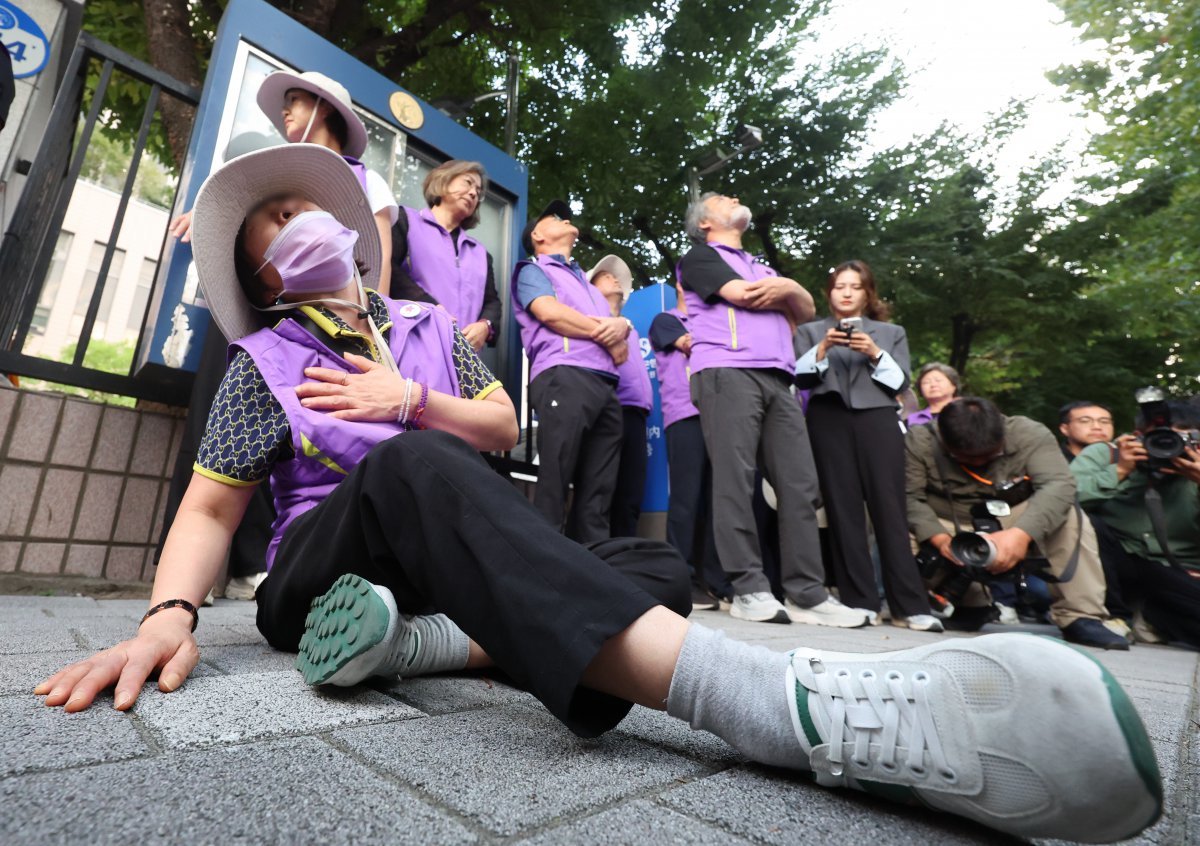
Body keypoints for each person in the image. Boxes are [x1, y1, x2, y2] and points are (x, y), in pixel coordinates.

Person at [31, 146, 1163, 846]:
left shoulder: (426, 330)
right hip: (315, 568)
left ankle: (419, 645)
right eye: (274, 226)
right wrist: (170, 615)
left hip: (438, 552)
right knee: (413, 468)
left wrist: (405, 393)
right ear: (262, 268)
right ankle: (778, 708)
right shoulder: (265, 356)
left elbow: (498, 426)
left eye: (304, 209)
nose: (300, 230)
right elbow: (212, 509)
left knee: (656, 564)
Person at [158, 70, 399, 601]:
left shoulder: (367, 180)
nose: (284, 115)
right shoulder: (260, 170)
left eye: (294, 103)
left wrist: (367, 327)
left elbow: (374, 265)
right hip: (268, 318)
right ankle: (196, 577)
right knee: (229, 440)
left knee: (306, 446)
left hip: (333, 332)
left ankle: (262, 565)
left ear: (324, 106)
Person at [677, 193, 864, 627]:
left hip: (780, 378)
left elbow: (805, 308)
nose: (736, 198)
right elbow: (746, 296)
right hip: (726, 370)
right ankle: (748, 588)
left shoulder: (762, 265)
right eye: (723, 198)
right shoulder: (700, 257)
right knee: (735, 479)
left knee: (801, 484)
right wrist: (784, 294)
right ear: (705, 222)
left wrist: (791, 289)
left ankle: (807, 593)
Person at [905, 397, 1130, 649]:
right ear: (945, 442)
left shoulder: (1029, 433)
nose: (979, 463)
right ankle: (970, 602)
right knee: (899, 528)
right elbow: (908, 497)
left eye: (988, 455)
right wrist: (939, 539)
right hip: (946, 521)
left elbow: (1059, 485)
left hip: (1011, 520)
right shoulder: (920, 440)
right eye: (967, 458)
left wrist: (1022, 534)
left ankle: (1080, 616)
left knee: (1067, 513)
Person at [795, 261, 940, 632]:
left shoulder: (891, 332)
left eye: (855, 286)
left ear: (867, 293)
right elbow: (801, 378)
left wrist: (874, 352)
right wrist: (824, 347)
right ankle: (858, 601)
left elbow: (899, 383)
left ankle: (910, 605)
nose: (846, 293)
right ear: (828, 293)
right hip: (827, 420)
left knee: (889, 508)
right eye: (839, 286)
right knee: (843, 511)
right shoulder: (810, 330)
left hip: (878, 418)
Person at [512, 200, 629, 542]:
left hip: (606, 386)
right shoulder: (534, 269)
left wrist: (621, 325)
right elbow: (549, 312)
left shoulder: (591, 286)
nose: (566, 219)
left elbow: (621, 346)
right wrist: (609, 333)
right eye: (555, 217)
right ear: (537, 234)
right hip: (564, 376)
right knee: (554, 481)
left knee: (599, 492)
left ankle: (595, 571)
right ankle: (545, 570)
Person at [1072, 398, 1200, 647]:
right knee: (1083, 521)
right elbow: (1063, 499)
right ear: (1137, 437)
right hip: (1116, 555)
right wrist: (1120, 471)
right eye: (1160, 439)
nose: (1171, 448)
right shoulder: (1106, 454)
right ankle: (1110, 617)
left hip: (1177, 566)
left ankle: (1154, 616)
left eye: (1184, 441)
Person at [649, 283, 731, 610]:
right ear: (681, 283)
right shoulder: (667, 320)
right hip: (685, 415)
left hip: (721, 417)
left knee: (716, 501)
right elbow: (693, 345)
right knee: (686, 499)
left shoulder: (718, 321)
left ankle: (714, 581)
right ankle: (680, 581)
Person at [389, 160, 501, 352]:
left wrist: (486, 325)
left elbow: (492, 301)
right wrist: (432, 308)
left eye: (478, 190)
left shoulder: (481, 253)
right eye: (468, 182)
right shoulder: (404, 220)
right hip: (411, 346)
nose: (474, 193)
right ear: (444, 180)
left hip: (464, 359)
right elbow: (387, 268)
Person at [588, 255, 652, 538]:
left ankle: (626, 561)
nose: (613, 278)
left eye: (615, 276)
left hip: (637, 413)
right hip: (608, 409)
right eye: (604, 275)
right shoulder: (588, 319)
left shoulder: (632, 328)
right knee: (602, 491)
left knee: (631, 493)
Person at [905, 362, 959, 428]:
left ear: (953, 386)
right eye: (926, 382)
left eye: (938, 380)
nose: (933, 385)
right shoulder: (911, 420)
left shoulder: (966, 414)